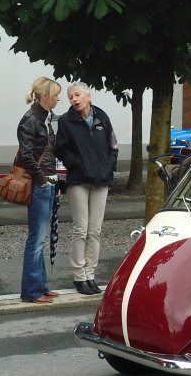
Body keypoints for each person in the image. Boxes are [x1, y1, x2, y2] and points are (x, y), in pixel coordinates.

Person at [56, 83, 118, 296]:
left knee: (95, 230)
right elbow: (61, 148)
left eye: (77, 95)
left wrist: (109, 167)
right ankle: (79, 276)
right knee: (80, 228)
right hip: (78, 180)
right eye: (70, 96)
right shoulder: (66, 121)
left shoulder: (102, 117)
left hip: (101, 180)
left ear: (88, 96)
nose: (74, 99)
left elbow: (113, 146)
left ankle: (90, 273)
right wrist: (76, 163)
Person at [19, 76, 61, 304]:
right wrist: (43, 180)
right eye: (55, 94)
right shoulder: (31, 120)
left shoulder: (43, 118)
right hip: (39, 184)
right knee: (36, 238)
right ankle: (32, 291)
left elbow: (49, 152)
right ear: (44, 96)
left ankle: (40, 286)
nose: (58, 98)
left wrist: (52, 181)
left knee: (41, 238)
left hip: (46, 182)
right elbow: (26, 155)